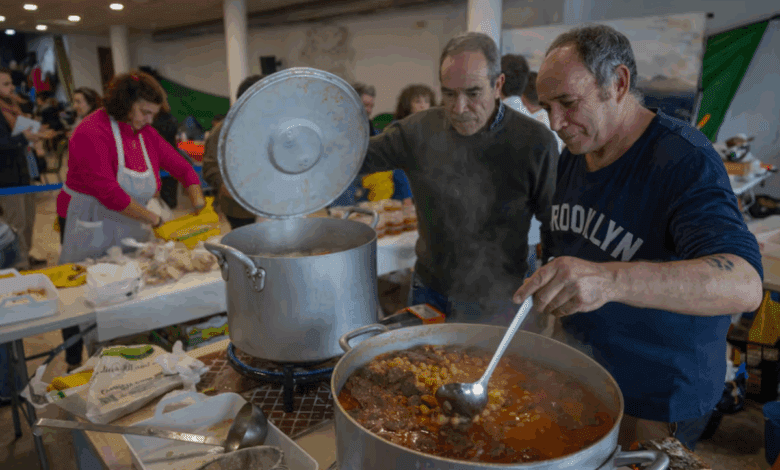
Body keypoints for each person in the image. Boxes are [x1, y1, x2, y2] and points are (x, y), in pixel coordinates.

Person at [512, 24, 763, 451]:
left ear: (619, 83)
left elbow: (743, 283)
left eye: (569, 103)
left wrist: (609, 281)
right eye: (548, 106)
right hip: (583, 373)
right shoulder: (577, 152)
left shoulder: (683, 159)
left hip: (656, 396)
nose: (556, 123)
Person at [362, 32, 559, 326]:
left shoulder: (534, 141)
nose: (459, 108)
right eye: (449, 93)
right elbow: (354, 157)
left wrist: (551, 280)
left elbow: (553, 220)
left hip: (502, 294)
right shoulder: (417, 131)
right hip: (431, 289)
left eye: (473, 93)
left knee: (498, 372)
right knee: (422, 369)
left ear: (498, 85)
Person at [56, 70, 204, 370]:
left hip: (131, 221)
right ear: (125, 104)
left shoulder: (144, 133)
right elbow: (108, 192)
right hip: (90, 222)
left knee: (130, 288)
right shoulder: (90, 132)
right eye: (144, 112)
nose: (150, 120)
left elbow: (182, 167)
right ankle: (76, 361)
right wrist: (155, 218)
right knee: (81, 297)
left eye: (153, 114)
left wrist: (198, 199)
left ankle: (128, 349)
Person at [202, 75, 265, 230]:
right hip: (239, 210)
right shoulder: (223, 130)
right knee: (246, 247)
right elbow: (210, 166)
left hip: (273, 203)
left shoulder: (271, 124)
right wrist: (226, 186)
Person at [0, 66, 45, 270]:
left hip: (23, 170)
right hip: (6, 176)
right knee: (15, 221)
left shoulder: (13, 108)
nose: (11, 88)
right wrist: (22, 137)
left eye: (11, 83)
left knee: (28, 219)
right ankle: (19, 264)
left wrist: (33, 132)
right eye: (6, 84)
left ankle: (26, 255)